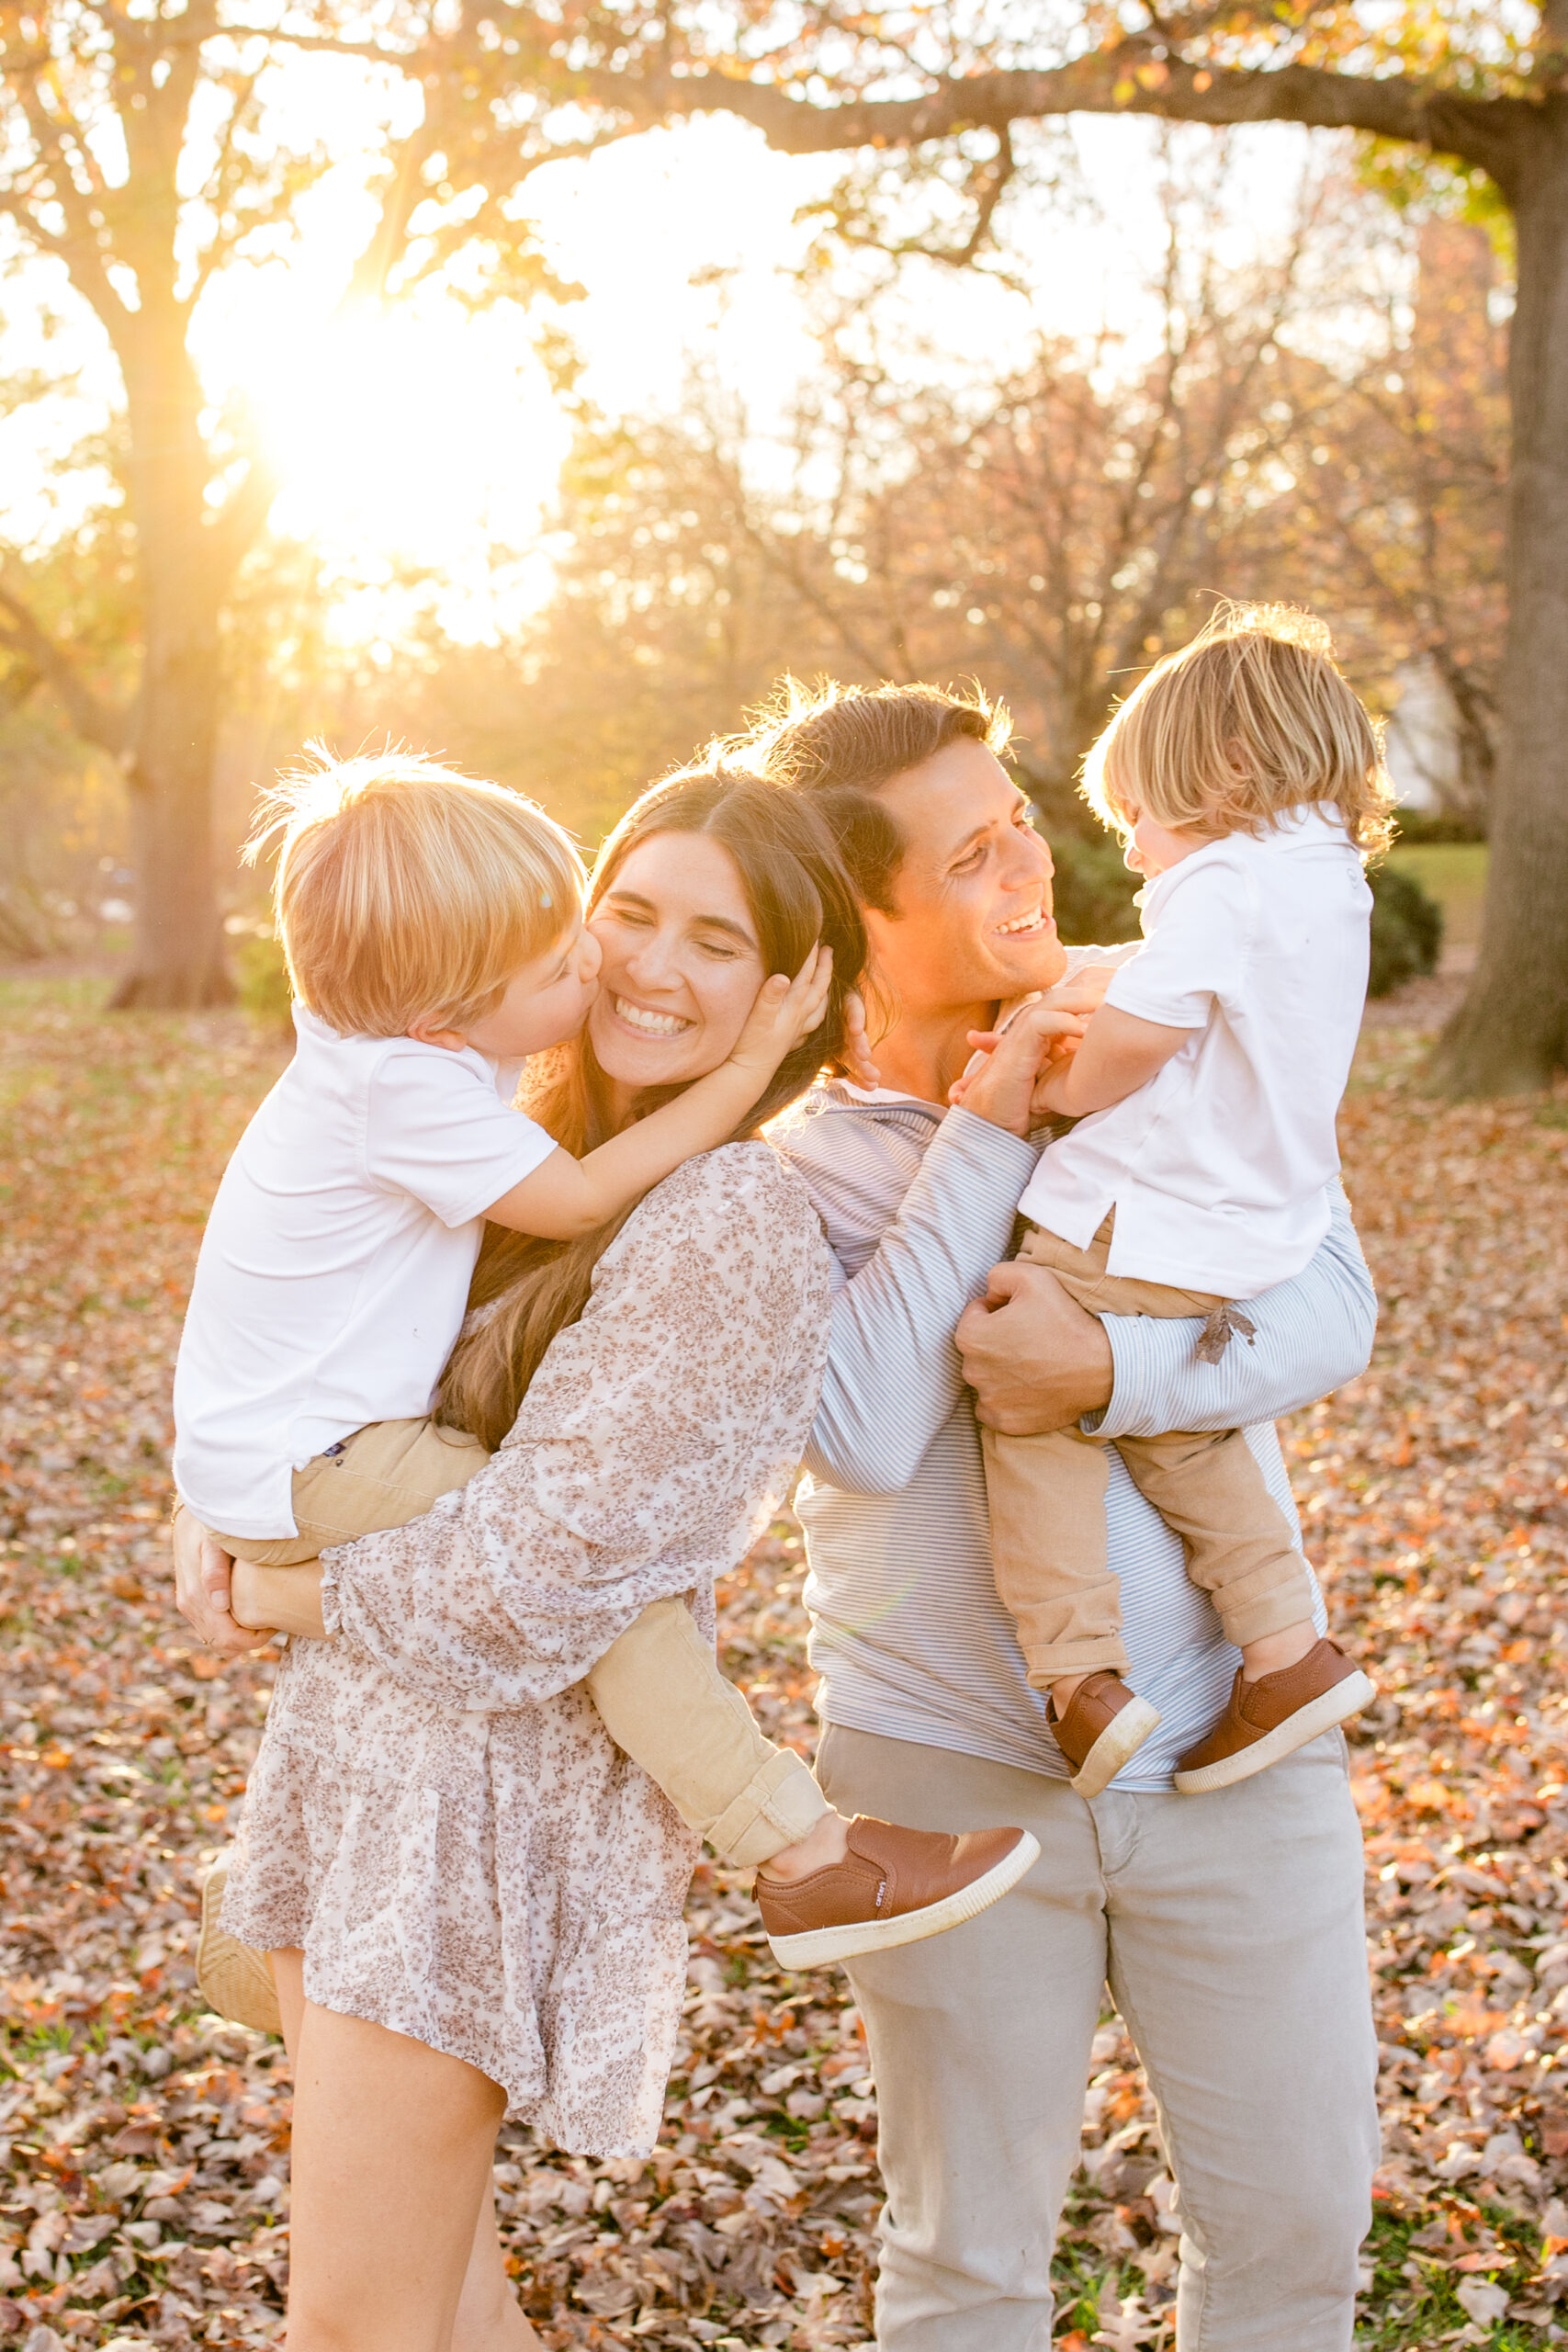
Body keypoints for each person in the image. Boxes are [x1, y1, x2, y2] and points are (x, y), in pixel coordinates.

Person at [173, 764, 1044, 2352]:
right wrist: (216, 1505)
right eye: (629, 913)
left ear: (794, 995)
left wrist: (278, 1585)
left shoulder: (722, 1214)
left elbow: (529, 1579)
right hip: (368, 1783)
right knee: (443, 2317)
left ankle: (799, 1846)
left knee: (361, 2331)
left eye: (718, 944)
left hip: (477, 1826)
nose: (649, 965)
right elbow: (317, 1364)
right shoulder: (495, 1135)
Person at [743, 679, 1381, 2350]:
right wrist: (991, 1120)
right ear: (854, 916)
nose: (1034, 860)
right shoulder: (778, 1175)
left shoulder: (1155, 1037)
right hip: (953, 1785)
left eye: (1022, 815)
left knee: (1300, 2237)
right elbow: (865, 1432)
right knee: (967, 2274)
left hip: (1234, 1759)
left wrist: (1102, 1368)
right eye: (973, 854)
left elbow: (1333, 1303)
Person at [980, 607, 1384, 1802]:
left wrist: (1057, 1084)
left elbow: (1144, 1035)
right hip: (1243, 1236)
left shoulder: (1227, 880)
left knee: (1027, 1402)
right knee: (1185, 1431)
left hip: (1137, 1218)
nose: (1140, 849)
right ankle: (1286, 1650)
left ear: (1227, 777)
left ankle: (1080, 1679)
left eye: (1141, 817)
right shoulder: (1331, 885)